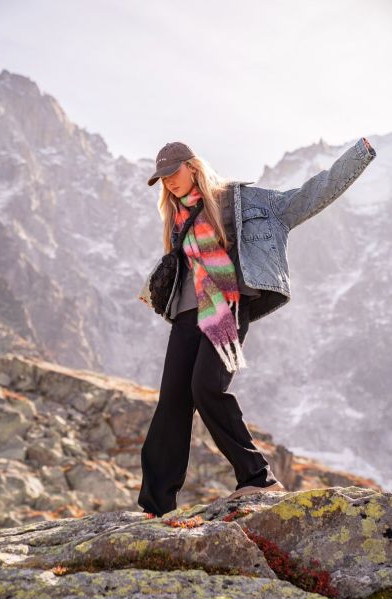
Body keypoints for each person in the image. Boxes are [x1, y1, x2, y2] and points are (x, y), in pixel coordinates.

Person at [138, 138, 376, 517]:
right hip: (186, 315)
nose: (168, 182)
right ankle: (155, 505)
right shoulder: (176, 217)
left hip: (226, 308)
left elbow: (306, 197)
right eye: (161, 178)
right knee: (171, 403)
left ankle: (258, 477)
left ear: (193, 166)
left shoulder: (242, 202)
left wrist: (359, 155)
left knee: (206, 388)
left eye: (172, 173)